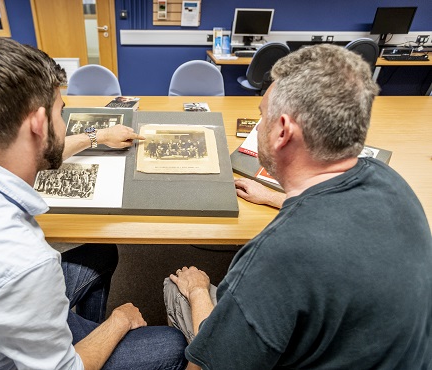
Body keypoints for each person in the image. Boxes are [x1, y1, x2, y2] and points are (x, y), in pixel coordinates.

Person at [0, 37, 187, 370]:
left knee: (102, 251)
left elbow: (36, 150)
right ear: (37, 123)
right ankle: (92, 338)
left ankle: (82, 335)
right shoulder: (23, 263)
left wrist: (97, 137)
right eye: (61, 111)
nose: (64, 122)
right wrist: (118, 321)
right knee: (174, 345)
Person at [165, 44, 432, 369]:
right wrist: (274, 197)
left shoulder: (277, 255)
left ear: (282, 131)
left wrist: (196, 292)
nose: (258, 125)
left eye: (262, 115)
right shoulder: (388, 179)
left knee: (178, 288)